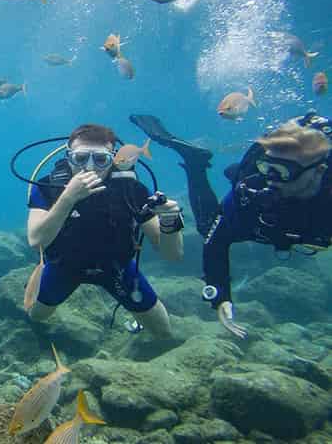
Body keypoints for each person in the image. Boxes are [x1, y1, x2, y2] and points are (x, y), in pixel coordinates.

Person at [131, 112, 332, 339]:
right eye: (268, 167)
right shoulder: (252, 187)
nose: (271, 180)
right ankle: (195, 163)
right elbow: (216, 242)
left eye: (284, 172)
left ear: (319, 171)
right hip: (266, 222)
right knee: (209, 227)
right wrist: (220, 296)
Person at [25, 124, 185, 338]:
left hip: (117, 268)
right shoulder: (47, 187)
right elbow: (36, 241)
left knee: (162, 330)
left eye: (101, 160)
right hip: (64, 265)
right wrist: (68, 198)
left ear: (113, 158)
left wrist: (170, 222)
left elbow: (172, 255)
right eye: (80, 158)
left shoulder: (131, 190)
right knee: (37, 316)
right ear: (68, 157)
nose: (89, 167)